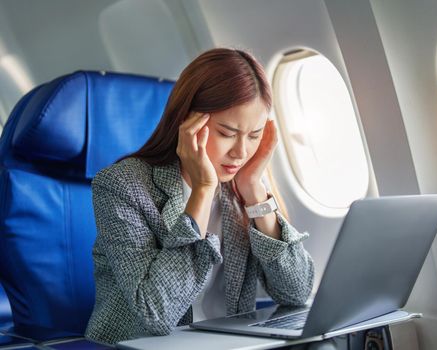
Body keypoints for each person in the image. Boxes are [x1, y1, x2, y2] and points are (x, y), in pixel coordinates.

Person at [84, 48, 315, 345]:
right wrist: (203, 191)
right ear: (188, 122)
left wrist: (255, 190)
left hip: (230, 345)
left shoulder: (240, 190)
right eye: (227, 132)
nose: (241, 152)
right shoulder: (121, 186)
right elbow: (156, 313)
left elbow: (296, 292)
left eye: (254, 135)